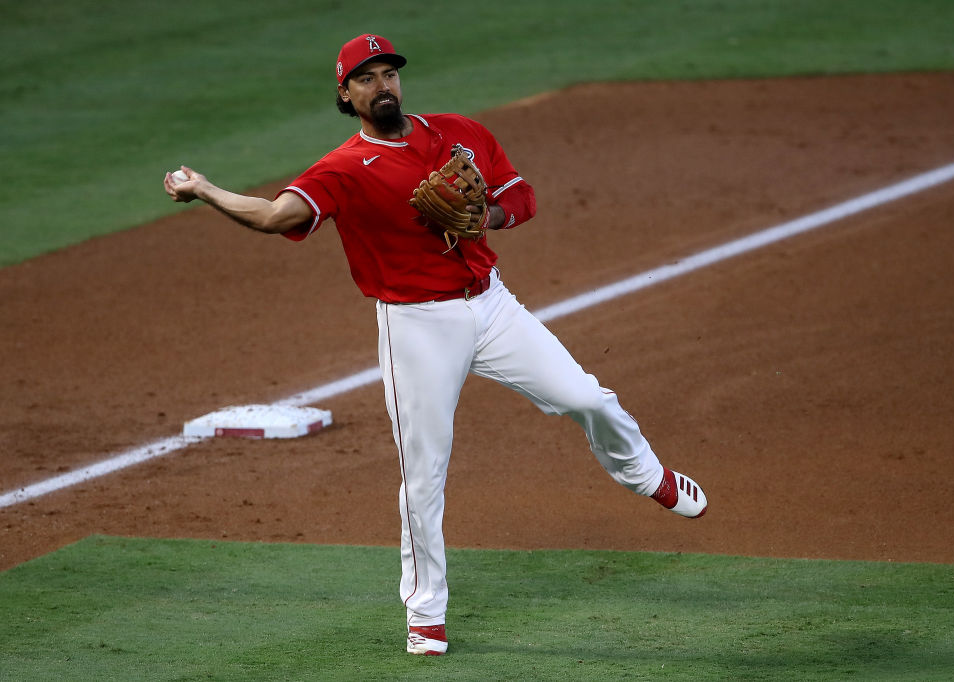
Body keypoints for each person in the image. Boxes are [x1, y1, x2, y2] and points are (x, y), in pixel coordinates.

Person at [163, 33, 707, 656]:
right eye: (366, 79)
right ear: (346, 94)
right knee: (423, 476)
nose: (382, 85)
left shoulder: (458, 132)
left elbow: (519, 197)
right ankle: (425, 616)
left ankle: (648, 475)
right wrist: (204, 189)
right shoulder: (341, 169)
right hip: (415, 327)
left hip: (491, 304)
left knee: (586, 396)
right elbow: (271, 217)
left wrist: (486, 218)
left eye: (388, 73)